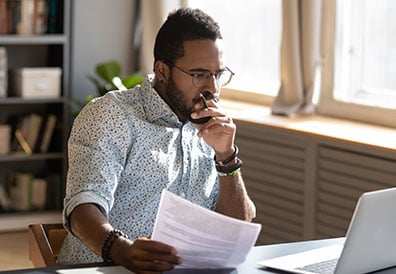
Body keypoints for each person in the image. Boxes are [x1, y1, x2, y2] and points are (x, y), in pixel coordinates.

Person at [57, 7, 256, 273]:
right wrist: (122, 251)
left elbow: (237, 229)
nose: (212, 88)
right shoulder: (111, 115)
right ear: (162, 70)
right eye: (199, 75)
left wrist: (226, 157)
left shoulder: (211, 128)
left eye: (218, 74)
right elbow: (83, 205)